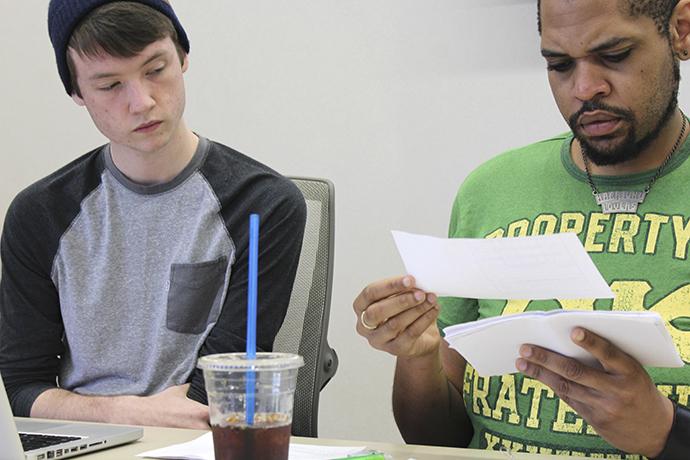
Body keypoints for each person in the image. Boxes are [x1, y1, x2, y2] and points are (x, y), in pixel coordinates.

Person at [354, 0, 690, 458]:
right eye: (559, 65)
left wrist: (665, 431)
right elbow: (437, 441)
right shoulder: (492, 189)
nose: (585, 88)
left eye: (614, 56)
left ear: (681, 31)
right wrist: (417, 357)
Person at [0, 0, 306, 429]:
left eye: (155, 69)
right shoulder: (39, 215)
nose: (141, 102)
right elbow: (20, 387)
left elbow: (223, 384)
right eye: (109, 86)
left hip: (201, 438)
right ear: (77, 93)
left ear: (183, 57)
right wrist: (123, 413)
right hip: (83, 442)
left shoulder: (263, 205)